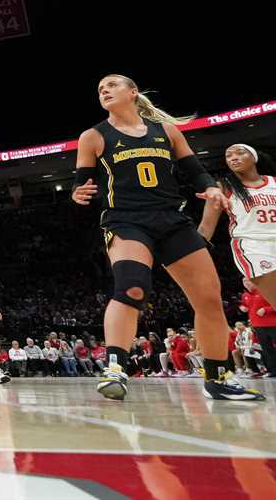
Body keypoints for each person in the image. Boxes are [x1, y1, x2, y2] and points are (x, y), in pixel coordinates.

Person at [71, 74, 263, 401]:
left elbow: (194, 169)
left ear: (133, 92)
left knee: (209, 299)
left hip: (172, 219)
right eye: (100, 88)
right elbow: (81, 181)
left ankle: (218, 378)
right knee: (131, 287)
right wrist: (78, 192)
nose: (104, 89)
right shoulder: (93, 136)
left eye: (112, 85)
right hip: (126, 220)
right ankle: (114, 367)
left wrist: (212, 188)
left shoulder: (167, 131)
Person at [200, 144, 276, 309]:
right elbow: (205, 228)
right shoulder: (223, 187)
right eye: (228, 155)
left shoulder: (273, 182)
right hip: (254, 246)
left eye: (240, 153)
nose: (233, 157)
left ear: (254, 158)